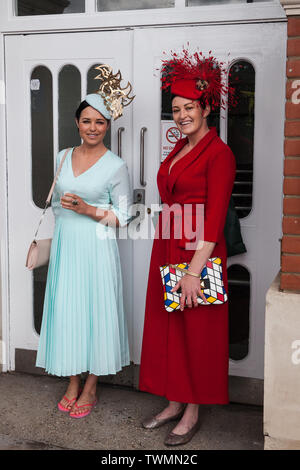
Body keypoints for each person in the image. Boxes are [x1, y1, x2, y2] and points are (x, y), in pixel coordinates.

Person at [139, 49, 237, 445]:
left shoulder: (220, 154)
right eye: (176, 109)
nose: (181, 115)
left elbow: (213, 220)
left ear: (207, 107)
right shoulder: (179, 149)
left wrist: (195, 271)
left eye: (189, 107)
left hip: (199, 254)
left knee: (196, 333)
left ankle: (193, 410)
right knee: (172, 330)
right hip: (169, 247)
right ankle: (175, 400)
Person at [36, 64, 134, 419]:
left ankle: (91, 384)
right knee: (69, 311)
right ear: (77, 123)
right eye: (87, 121)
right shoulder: (63, 156)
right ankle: (72, 380)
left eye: (100, 122)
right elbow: (57, 201)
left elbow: (124, 216)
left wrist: (90, 209)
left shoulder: (115, 166)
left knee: (95, 312)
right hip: (66, 247)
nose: (93, 128)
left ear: (108, 126)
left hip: (96, 249)